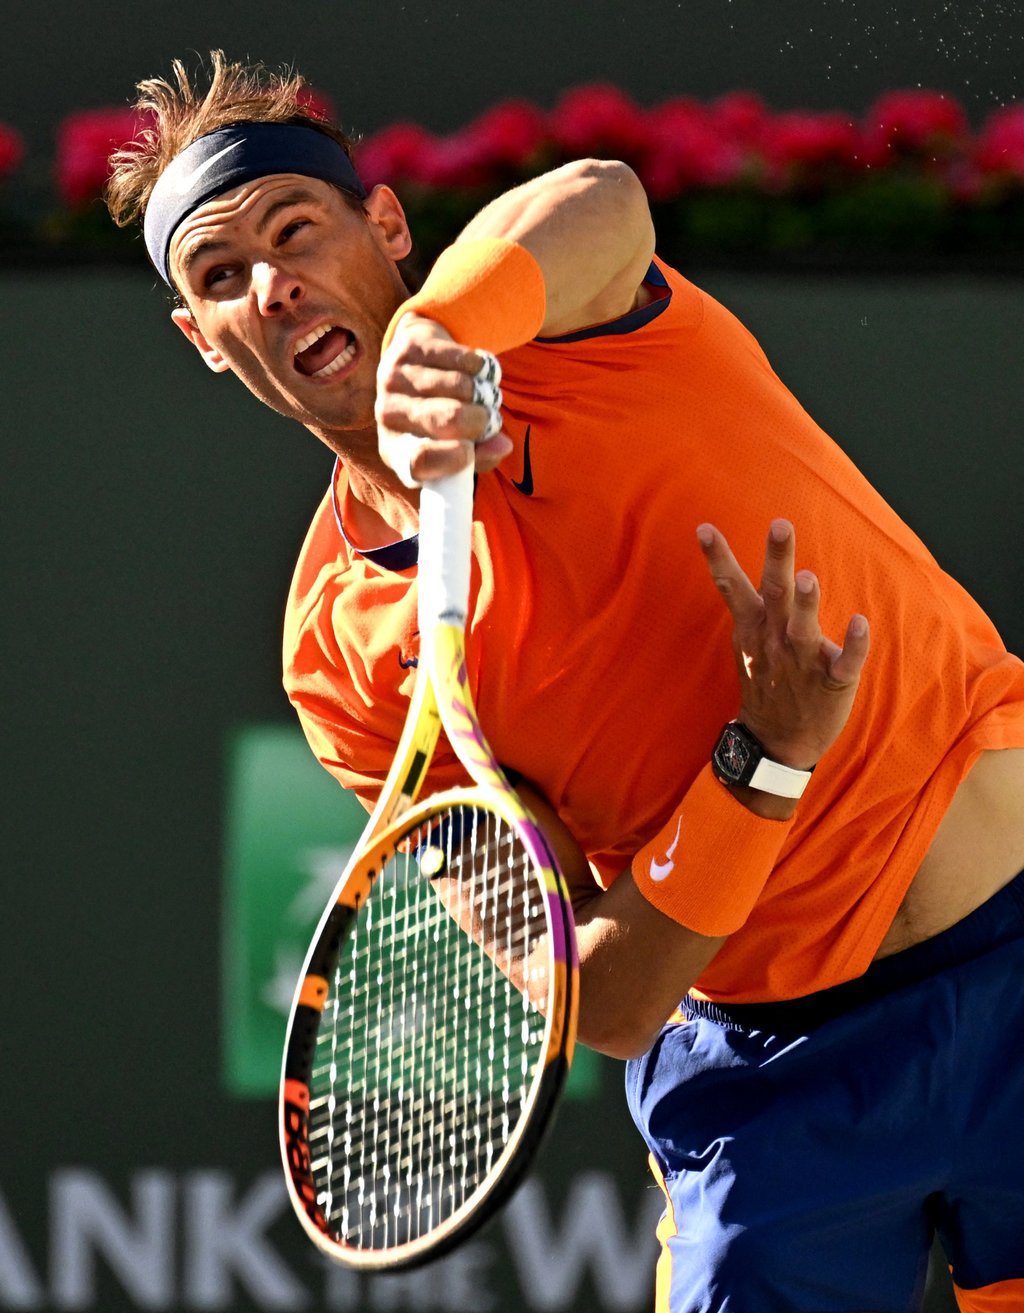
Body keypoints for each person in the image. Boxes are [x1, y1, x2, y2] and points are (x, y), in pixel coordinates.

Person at [107, 52, 1024, 1313]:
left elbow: (602, 195)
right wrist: (762, 761)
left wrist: (443, 336)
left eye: (296, 229)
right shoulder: (342, 656)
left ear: (386, 225)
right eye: (221, 279)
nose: (272, 284)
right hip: (770, 1094)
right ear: (202, 341)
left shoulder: (578, 322)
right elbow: (603, 993)